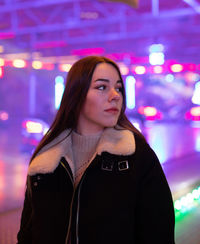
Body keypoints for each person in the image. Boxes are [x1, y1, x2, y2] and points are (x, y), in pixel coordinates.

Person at [17, 56, 175, 244]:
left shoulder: (137, 157)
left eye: (118, 88)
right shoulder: (45, 162)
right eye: (102, 87)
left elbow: (159, 234)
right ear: (76, 94)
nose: (115, 95)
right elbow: (27, 234)